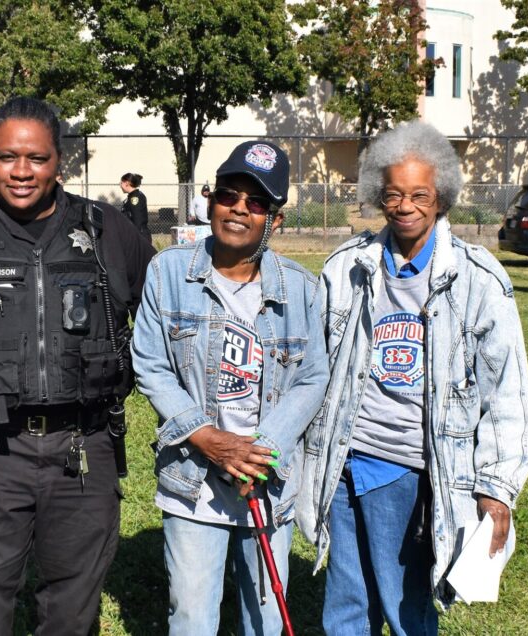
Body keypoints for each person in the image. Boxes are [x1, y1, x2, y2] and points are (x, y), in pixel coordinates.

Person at [0, 97, 155, 634]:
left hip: (83, 446)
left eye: (37, 159)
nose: (21, 172)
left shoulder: (106, 230)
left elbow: (172, 299)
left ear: (59, 163)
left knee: (73, 606)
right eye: (7, 157)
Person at [297, 121, 528, 635]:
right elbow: (313, 369)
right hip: (342, 463)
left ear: (441, 197)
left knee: (407, 610)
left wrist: (496, 488)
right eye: (393, 194)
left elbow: (508, 392)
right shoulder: (347, 267)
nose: (404, 206)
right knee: (345, 606)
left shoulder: (478, 279)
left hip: (408, 469)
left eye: (419, 194)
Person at [132, 140, 329, 635]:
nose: (240, 208)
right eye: (228, 194)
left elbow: (313, 376)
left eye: (257, 202)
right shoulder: (168, 272)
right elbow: (150, 365)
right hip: (193, 478)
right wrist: (208, 440)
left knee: (263, 617)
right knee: (193, 617)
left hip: (265, 481)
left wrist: (261, 453)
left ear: (275, 220)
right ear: (209, 200)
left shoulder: (302, 289)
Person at [120, 172, 150, 237]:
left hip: (139, 236)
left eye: (121, 183)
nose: (120, 186)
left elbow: (137, 219)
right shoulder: (132, 196)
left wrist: (134, 237)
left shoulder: (135, 198)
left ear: (127, 183)